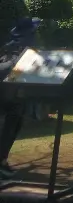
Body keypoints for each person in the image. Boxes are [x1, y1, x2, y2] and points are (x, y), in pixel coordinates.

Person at [0, 17, 41, 177]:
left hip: (12, 92)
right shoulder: (25, 47)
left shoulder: (9, 45)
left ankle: (2, 161)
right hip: (10, 93)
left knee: (12, 124)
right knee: (9, 126)